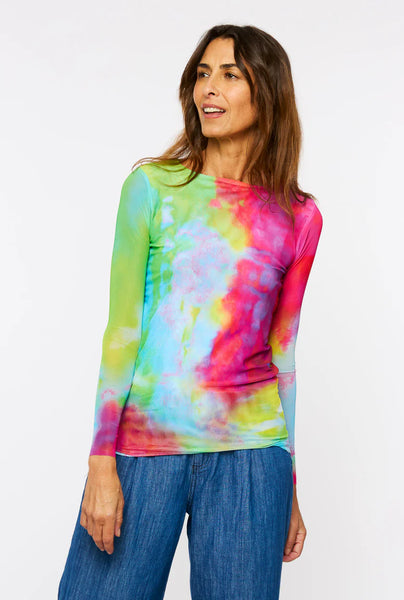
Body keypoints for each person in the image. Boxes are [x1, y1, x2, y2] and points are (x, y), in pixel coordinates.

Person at [58, 23, 323, 600]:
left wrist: (289, 483)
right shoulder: (152, 188)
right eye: (203, 74)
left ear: (267, 92)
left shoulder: (299, 217)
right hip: (145, 447)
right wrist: (101, 462)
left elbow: (283, 354)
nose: (210, 88)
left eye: (230, 75)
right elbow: (122, 332)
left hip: (251, 456)